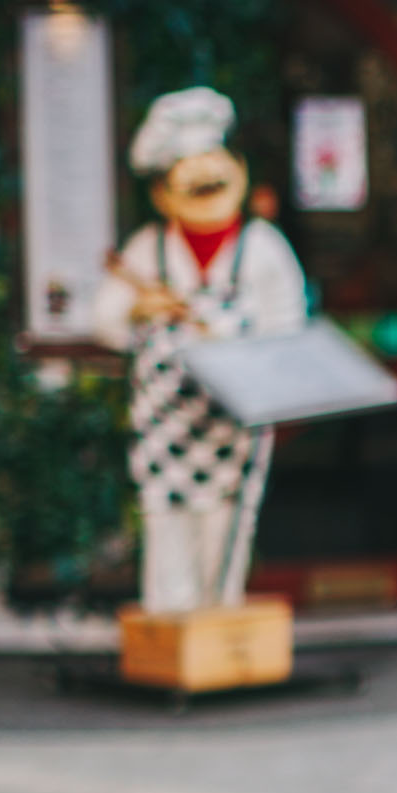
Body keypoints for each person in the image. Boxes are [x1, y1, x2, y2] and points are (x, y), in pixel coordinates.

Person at [93, 88, 306, 613]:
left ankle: (218, 640)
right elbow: (104, 321)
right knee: (167, 529)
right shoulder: (148, 249)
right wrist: (139, 316)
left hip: (234, 426)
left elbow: (289, 327)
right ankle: (172, 642)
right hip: (166, 428)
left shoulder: (264, 248)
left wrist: (235, 341)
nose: (205, 180)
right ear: (162, 193)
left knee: (226, 529)